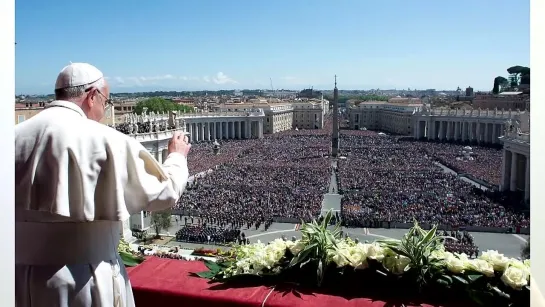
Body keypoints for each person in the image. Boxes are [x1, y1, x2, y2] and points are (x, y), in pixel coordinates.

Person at [15, 63, 192, 307]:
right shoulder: (108, 140)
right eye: (106, 102)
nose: (103, 109)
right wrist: (177, 157)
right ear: (92, 96)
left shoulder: (12, 137)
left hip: (16, 280)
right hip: (85, 279)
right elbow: (165, 194)